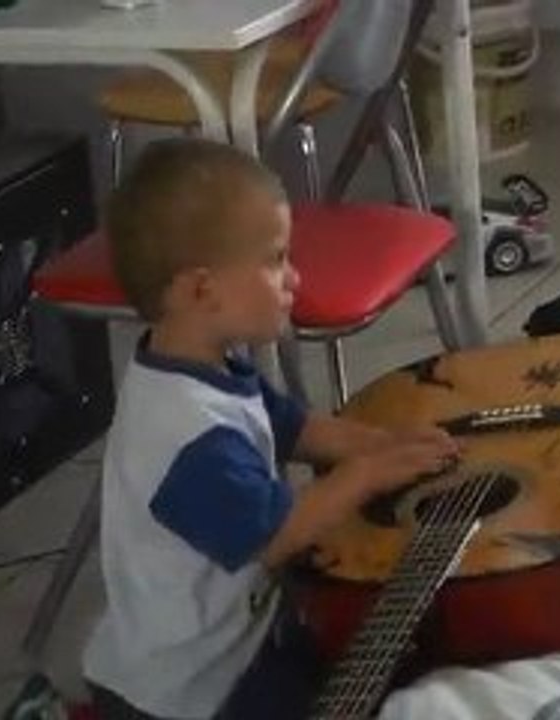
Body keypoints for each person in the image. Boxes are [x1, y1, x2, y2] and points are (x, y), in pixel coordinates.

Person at [82, 138, 460, 720]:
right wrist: (364, 475)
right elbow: (277, 535)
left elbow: (294, 427)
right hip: (191, 693)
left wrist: (388, 444)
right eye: (275, 260)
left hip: (239, 633)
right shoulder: (187, 436)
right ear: (201, 290)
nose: (295, 278)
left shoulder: (204, 363)